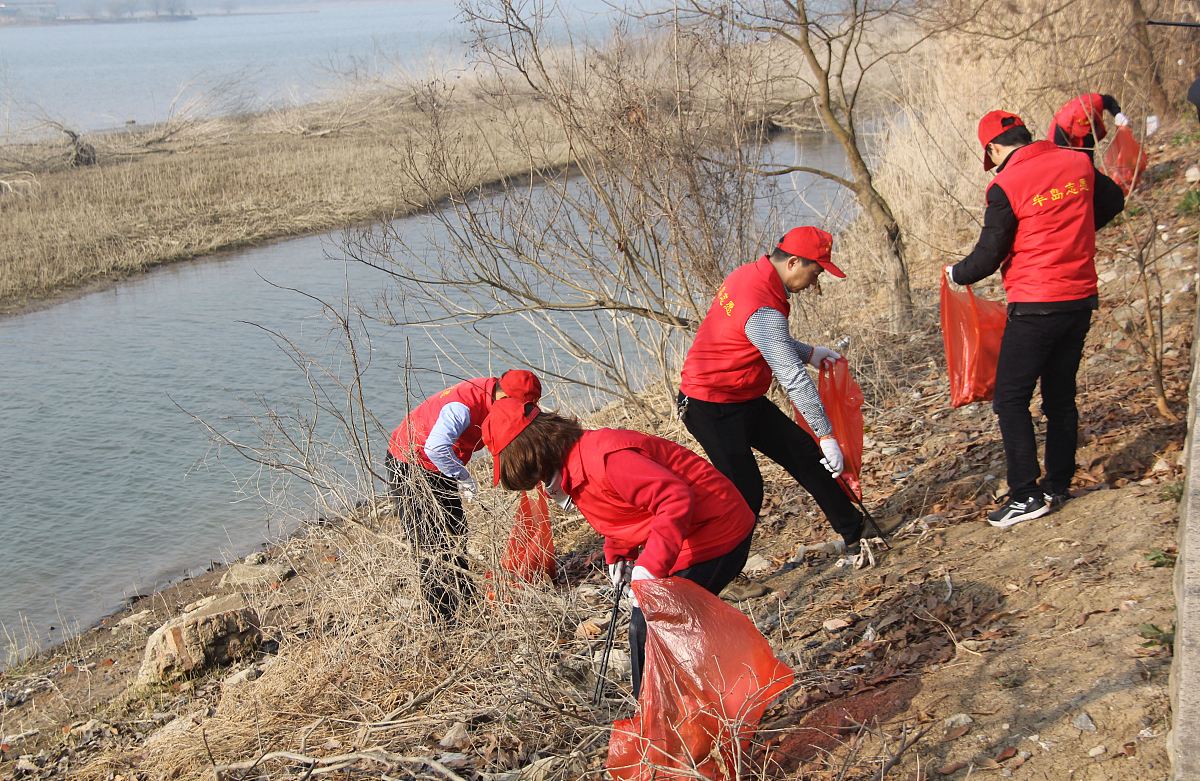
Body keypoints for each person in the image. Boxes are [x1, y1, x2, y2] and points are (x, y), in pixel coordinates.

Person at [481, 398, 756, 697]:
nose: (536, 484)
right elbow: (622, 512)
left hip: (717, 527)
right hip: (691, 532)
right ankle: (669, 708)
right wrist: (619, 554)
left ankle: (666, 718)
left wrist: (649, 567)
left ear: (530, 452)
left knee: (649, 629)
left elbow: (674, 498)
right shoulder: (570, 466)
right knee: (651, 628)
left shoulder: (605, 458)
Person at [946, 110, 1124, 528]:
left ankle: (1026, 493)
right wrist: (1075, 229)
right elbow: (1113, 200)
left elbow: (988, 255)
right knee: (1060, 396)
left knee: (1010, 400)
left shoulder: (1004, 185)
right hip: (1080, 299)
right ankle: (1058, 483)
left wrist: (956, 274)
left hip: (1035, 305)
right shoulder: (1076, 161)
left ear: (992, 149)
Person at [676, 226, 865, 551]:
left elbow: (759, 337)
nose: (814, 283)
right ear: (793, 263)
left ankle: (856, 530)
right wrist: (827, 434)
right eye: (816, 271)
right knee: (745, 492)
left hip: (741, 396)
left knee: (804, 454)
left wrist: (809, 353)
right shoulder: (761, 302)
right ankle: (718, 572)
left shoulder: (747, 275)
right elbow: (791, 376)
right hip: (709, 405)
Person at [385, 370, 542, 621]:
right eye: (519, 406)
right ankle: (444, 619)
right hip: (409, 463)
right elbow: (435, 447)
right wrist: (464, 477)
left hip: (437, 464)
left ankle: (466, 601)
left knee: (456, 530)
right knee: (432, 543)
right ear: (504, 396)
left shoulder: (492, 396)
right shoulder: (463, 407)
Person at [1047, 93, 1129, 161]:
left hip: (1090, 122)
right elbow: (1062, 156)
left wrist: (1117, 114)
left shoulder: (1094, 102)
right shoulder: (1061, 126)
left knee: (1088, 150)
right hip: (1067, 142)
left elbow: (1109, 101)